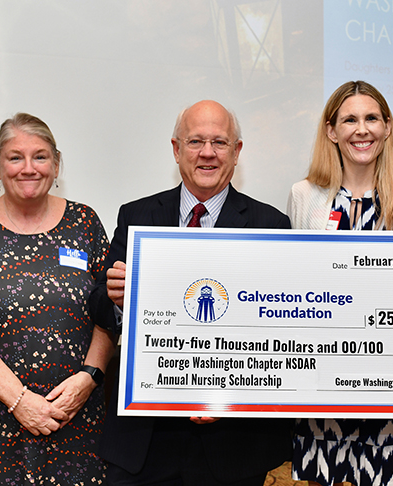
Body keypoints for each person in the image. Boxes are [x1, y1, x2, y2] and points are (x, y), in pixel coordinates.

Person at [88, 100, 293, 485]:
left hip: (231, 441)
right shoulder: (136, 216)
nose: (208, 153)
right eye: (196, 141)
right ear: (176, 148)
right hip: (144, 438)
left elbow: (278, 328)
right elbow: (98, 307)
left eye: (219, 142)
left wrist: (228, 394)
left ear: (237, 152)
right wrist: (116, 300)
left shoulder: (271, 224)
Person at [0, 113, 116, 484]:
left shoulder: (85, 223)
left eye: (40, 157)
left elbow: (109, 311)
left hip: (75, 418)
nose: (29, 168)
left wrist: (89, 377)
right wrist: (20, 401)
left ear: (56, 165)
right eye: (15, 157)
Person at [287, 80, 393, 486]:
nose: (361, 129)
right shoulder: (304, 196)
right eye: (349, 119)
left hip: (390, 387)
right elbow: (293, 290)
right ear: (331, 131)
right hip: (320, 383)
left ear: (387, 127)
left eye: (371, 118)